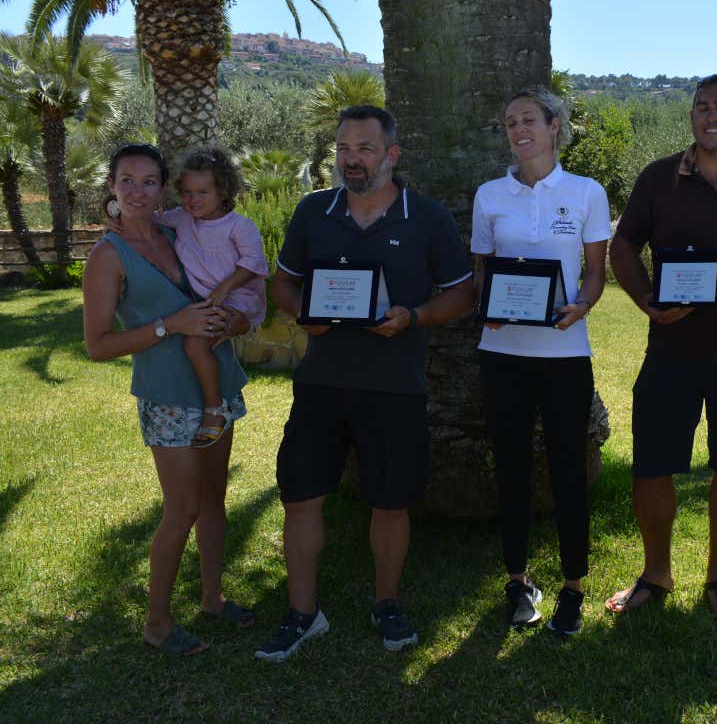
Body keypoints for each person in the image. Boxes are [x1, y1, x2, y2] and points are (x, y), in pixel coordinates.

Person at [255, 105, 474, 661]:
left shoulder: (427, 218)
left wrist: (413, 317)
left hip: (394, 386)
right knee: (301, 497)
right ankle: (303, 614)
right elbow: (283, 284)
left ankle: (388, 603)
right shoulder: (313, 212)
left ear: (391, 154)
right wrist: (305, 309)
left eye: (365, 149)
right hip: (321, 385)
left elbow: (461, 295)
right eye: (344, 150)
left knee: (390, 502)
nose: (352, 160)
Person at [605, 74, 717, 618]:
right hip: (671, 353)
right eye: (702, 106)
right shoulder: (659, 178)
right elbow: (623, 247)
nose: (712, 116)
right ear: (691, 115)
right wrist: (645, 302)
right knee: (652, 466)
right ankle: (655, 573)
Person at [83, 143, 254, 657]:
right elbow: (98, 346)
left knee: (214, 501)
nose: (138, 191)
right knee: (180, 511)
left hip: (217, 384)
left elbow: (230, 291)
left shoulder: (178, 232)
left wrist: (238, 320)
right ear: (111, 187)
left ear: (164, 188)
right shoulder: (107, 255)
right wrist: (168, 325)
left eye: (150, 181)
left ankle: (213, 597)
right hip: (168, 398)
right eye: (127, 181)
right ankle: (157, 623)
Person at [471, 87, 611, 635]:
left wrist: (583, 305)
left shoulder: (585, 193)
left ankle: (573, 585)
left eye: (528, 118)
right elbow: (482, 269)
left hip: (564, 355)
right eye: (509, 122)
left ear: (555, 125)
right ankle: (517, 581)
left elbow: (595, 270)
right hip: (502, 354)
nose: (517, 129)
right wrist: (488, 305)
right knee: (509, 469)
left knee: (568, 469)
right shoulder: (490, 195)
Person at [147, 147, 267, 447]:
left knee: (195, 343)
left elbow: (254, 263)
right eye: (186, 192)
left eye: (203, 192)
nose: (193, 199)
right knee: (200, 342)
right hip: (208, 304)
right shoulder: (183, 219)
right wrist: (113, 212)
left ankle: (215, 409)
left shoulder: (238, 226)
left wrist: (223, 289)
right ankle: (217, 396)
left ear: (223, 191)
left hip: (238, 299)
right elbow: (150, 217)